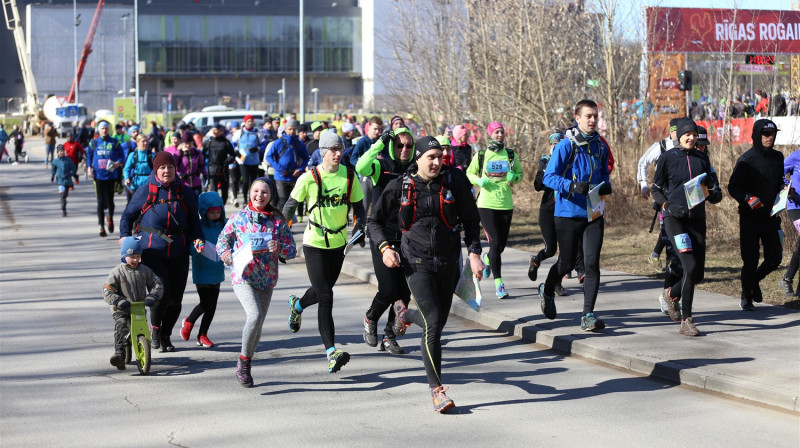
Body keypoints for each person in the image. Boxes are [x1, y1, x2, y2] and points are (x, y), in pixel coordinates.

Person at [370, 136, 484, 413]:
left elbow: (471, 220)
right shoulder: (400, 186)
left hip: (447, 262)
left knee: (437, 323)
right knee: (433, 323)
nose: (436, 162)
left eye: (439, 157)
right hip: (415, 261)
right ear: (418, 159)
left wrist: (474, 253)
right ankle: (437, 390)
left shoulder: (454, 183)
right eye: (430, 157)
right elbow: (374, 222)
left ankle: (405, 315)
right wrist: (385, 248)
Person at [281, 131, 366, 373]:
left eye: (340, 149)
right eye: (333, 149)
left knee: (321, 291)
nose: (338, 154)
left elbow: (359, 207)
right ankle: (331, 352)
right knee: (326, 296)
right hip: (315, 243)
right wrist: (283, 236)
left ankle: (297, 306)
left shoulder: (349, 176)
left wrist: (360, 227)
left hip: (339, 244)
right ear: (323, 152)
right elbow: (289, 207)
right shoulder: (309, 178)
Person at [538, 99, 612, 331]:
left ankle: (587, 315)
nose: (592, 120)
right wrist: (571, 186)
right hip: (568, 212)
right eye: (588, 116)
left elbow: (604, 172)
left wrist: (606, 184)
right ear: (577, 118)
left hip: (593, 213)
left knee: (591, 264)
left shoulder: (600, 145)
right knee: (566, 263)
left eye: (595, 116)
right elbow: (548, 178)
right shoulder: (566, 145)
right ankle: (547, 290)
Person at [119, 151, 204, 352]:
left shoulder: (184, 191)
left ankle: (166, 335)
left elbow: (194, 219)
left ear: (175, 169)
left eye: (170, 167)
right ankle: (155, 328)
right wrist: (124, 236)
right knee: (161, 293)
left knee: (176, 300)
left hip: (179, 251)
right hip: (152, 251)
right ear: (156, 170)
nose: (167, 171)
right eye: (162, 168)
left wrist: (199, 238)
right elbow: (127, 215)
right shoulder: (145, 191)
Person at [216, 178, 296, 386]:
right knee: (255, 315)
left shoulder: (277, 221)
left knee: (258, 325)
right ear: (250, 193)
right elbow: (222, 241)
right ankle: (243, 362)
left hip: (266, 278)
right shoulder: (238, 218)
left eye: (265, 192)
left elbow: (292, 250)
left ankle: (247, 361)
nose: (260, 195)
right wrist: (227, 256)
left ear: (271, 196)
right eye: (256, 191)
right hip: (243, 276)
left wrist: (280, 248)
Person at [652, 118, 723, 336]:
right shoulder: (667, 157)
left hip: (697, 220)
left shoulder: (702, 158)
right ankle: (687, 320)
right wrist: (667, 206)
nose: (691, 138)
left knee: (697, 273)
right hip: (675, 219)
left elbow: (712, 190)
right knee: (689, 267)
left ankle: (670, 295)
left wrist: (713, 192)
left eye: (693, 134)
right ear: (680, 136)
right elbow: (656, 190)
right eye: (687, 134)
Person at [355, 127, 414, 354]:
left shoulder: (415, 168)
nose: (404, 149)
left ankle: (389, 337)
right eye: (399, 145)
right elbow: (361, 166)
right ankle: (371, 318)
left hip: (407, 238)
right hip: (382, 235)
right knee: (389, 289)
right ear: (392, 146)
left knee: (405, 292)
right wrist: (379, 143)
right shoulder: (381, 166)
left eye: (408, 146)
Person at [728, 119, 784, 310]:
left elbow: (779, 181)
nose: (770, 137)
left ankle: (754, 281)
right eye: (765, 134)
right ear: (756, 135)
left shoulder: (778, 157)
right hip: (750, 218)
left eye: (772, 134)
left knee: (775, 258)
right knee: (750, 260)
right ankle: (746, 296)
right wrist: (747, 197)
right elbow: (733, 186)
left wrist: (785, 189)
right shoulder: (746, 160)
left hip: (770, 217)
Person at [466, 121, 522, 298]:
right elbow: (469, 173)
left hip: (506, 203)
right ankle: (499, 285)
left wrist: (514, 177)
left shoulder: (510, 155)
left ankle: (488, 258)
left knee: (500, 246)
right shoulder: (482, 155)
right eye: (496, 132)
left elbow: (519, 175)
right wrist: (479, 181)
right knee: (495, 242)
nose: (499, 135)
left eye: (502, 132)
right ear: (490, 134)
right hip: (486, 204)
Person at [102, 237, 163, 370]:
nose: (135, 260)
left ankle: (144, 346)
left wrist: (152, 296)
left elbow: (157, 284)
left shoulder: (144, 270)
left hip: (138, 308)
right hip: (121, 308)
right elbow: (107, 290)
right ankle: (119, 354)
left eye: (138, 256)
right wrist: (118, 300)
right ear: (124, 256)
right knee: (122, 326)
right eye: (132, 257)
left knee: (142, 328)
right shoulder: (117, 272)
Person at [181, 192, 227, 348]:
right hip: (202, 270)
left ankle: (202, 335)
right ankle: (189, 321)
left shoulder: (224, 225)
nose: (216, 215)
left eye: (218, 212)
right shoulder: (198, 227)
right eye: (212, 212)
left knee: (212, 305)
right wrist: (196, 249)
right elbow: (190, 247)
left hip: (217, 270)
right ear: (204, 212)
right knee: (206, 302)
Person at [637, 118, 679, 272]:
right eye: (674, 130)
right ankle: (670, 265)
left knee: (675, 227)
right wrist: (644, 185)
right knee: (667, 228)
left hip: (681, 194)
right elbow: (643, 162)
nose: (677, 134)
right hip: (663, 195)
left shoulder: (688, 145)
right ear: (670, 131)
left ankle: (659, 257)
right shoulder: (661, 146)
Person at [527, 131, 565, 295]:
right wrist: (548, 170)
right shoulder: (545, 160)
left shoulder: (568, 160)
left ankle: (556, 283)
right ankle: (536, 261)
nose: (556, 146)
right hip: (548, 210)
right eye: (553, 144)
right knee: (550, 249)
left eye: (559, 143)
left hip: (564, 209)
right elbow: (538, 186)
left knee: (565, 249)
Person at [87, 121, 124, 237]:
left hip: (111, 176)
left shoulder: (114, 142)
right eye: (102, 128)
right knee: (100, 201)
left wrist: (118, 163)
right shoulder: (94, 142)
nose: (104, 130)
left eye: (106, 128)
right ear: (98, 130)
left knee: (110, 200)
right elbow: (89, 156)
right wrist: (89, 168)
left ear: (109, 130)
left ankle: (110, 218)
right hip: (98, 176)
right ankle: (102, 227)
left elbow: (122, 156)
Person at [266, 119, 310, 211]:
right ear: (285, 129)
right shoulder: (278, 143)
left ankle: (290, 219)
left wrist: (300, 169)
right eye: (290, 129)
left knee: (293, 201)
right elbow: (268, 157)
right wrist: (280, 169)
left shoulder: (298, 143)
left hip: (294, 176)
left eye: (294, 129)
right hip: (281, 176)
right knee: (282, 200)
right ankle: (279, 219)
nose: (292, 131)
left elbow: (306, 158)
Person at [233, 115, 266, 204]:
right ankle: (244, 199)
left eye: (252, 121)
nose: (250, 123)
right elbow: (232, 144)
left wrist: (258, 148)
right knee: (245, 181)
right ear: (245, 122)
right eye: (248, 121)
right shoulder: (239, 132)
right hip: (243, 161)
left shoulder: (257, 132)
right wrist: (237, 152)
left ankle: (251, 200)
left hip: (254, 161)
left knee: (253, 182)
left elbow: (264, 144)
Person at [780, 147, 800, 298]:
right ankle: (787, 280)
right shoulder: (795, 156)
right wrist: (787, 186)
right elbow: (778, 172)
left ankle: (788, 280)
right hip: (796, 206)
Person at [203, 124, 238, 205]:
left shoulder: (225, 142)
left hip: (223, 169)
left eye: (216, 130)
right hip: (212, 169)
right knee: (213, 191)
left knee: (224, 191)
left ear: (220, 131)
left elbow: (232, 155)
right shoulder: (208, 142)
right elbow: (202, 155)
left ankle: (222, 206)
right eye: (213, 130)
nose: (214, 132)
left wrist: (227, 162)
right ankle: (215, 207)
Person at [174, 134, 207, 202]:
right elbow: (173, 169)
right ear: (182, 143)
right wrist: (180, 174)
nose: (188, 145)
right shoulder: (178, 154)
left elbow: (201, 165)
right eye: (186, 143)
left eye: (190, 143)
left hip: (196, 182)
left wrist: (206, 175)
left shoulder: (197, 152)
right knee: (186, 204)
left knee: (196, 203)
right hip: (184, 184)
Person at [123, 134, 153, 203]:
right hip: (135, 185)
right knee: (135, 206)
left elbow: (157, 169)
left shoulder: (152, 155)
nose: (145, 143)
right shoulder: (133, 155)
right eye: (143, 141)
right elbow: (126, 169)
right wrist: (127, 178)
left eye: (146, 141)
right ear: (138, 143)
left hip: (149, 185)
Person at [50, 145, 78, 217]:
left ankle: (64, 203)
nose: (61, 152)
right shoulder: (55, 161)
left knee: (65, 195)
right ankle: (63, 210)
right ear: (57, 152)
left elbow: (73, 169)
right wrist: (53, 175)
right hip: (60, 181)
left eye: (62, 151)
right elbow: (53, 169)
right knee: (62, 196)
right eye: (60, 151)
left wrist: (70, 173)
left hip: (67, 180)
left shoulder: (68, 160)